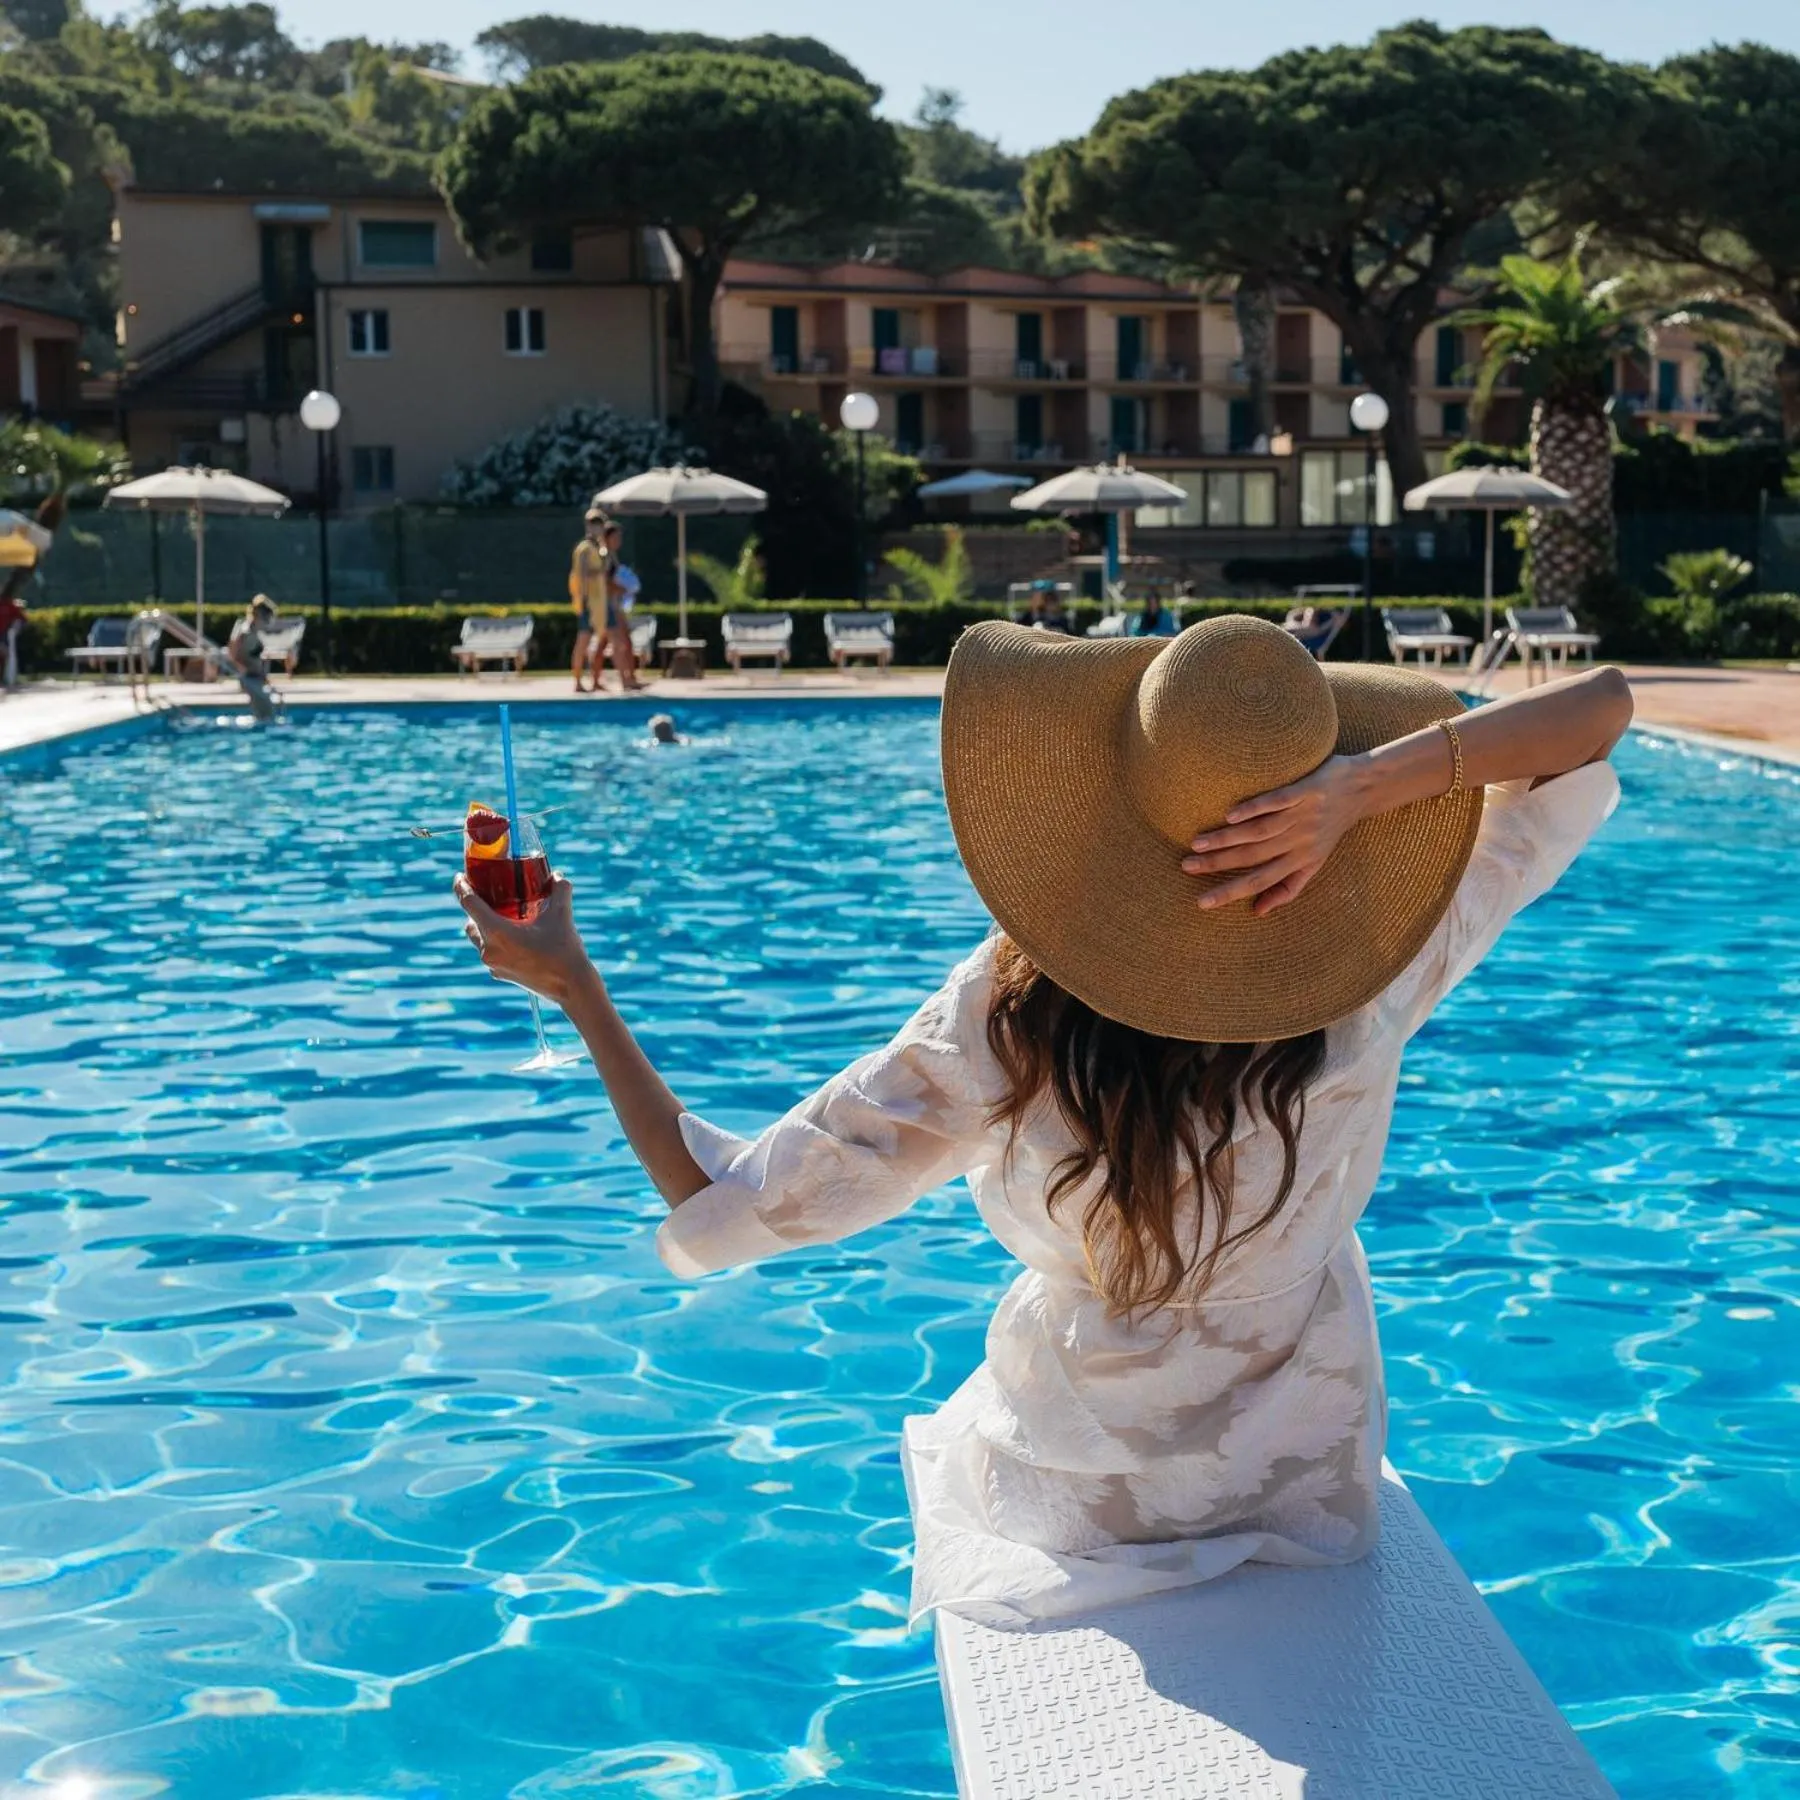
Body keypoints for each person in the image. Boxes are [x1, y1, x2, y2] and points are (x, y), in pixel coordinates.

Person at [455, 616, 1631, 1628]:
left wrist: (576, 989)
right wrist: (1359, 793)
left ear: (1107, 795)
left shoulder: (1008, 1016)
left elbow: (726, 1197)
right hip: (1303, 1491)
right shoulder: (1387, 957)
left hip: (1075, 1499)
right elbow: (1598, 710)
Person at [585, 521, 643, 693]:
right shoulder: (604, 556)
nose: (619, 540)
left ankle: (609, 680)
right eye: (616, 537)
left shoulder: (611, 555)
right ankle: (626, 680)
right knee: (619, 642)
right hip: (608, 605)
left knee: (610, 642)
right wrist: (622, 589)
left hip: (613, 604)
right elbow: (603, 582)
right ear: (607, 538)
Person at [569, 508, 610, 694]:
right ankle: (577, 681)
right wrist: (584, 599)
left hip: (598, 603)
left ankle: (594, 680)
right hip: (589, 602)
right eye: (593, 524)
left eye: (599, 524)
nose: (597, 528)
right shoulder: (585, 548)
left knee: (596, 642)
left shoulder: (597, 547)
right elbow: (583, 573)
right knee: (583, 642)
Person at [227, 594, 279, 722]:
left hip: (256, 676)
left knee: (265, 712)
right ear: (258, 616)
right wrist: (241, 669)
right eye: (267, 619)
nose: (268, 623)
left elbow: (259, 656)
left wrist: (264, 675)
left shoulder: (257, 632)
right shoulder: (245, 631)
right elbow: (232, 652)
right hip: (248, 677)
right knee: (266, 708)